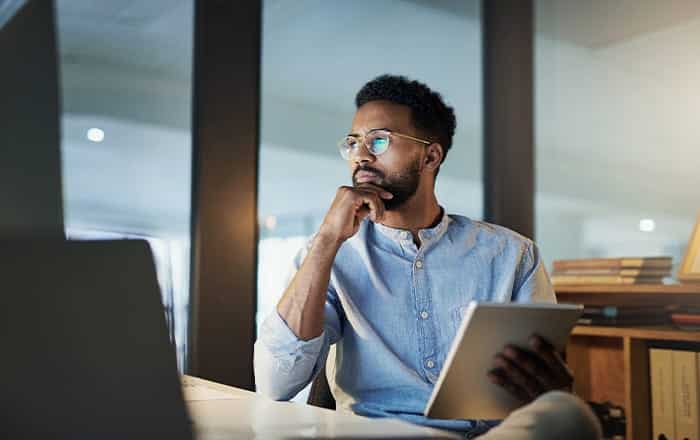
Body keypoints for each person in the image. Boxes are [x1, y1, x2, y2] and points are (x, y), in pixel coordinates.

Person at [254, 74, 601, 439]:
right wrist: (325, 240)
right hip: (375, 434)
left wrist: (551, 388)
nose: (361, 154)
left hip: (485, 436)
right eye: (353, 143)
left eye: (379, 139)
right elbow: (275, 383)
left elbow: (540, 386)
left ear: (430, 156)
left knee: (568, 414)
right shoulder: (331, 253)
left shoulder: (513, 254)